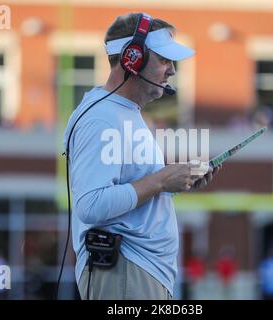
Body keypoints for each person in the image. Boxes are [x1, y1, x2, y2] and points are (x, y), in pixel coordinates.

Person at [63, 12, 221, 300]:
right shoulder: (101, 118)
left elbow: (135, 191)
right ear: (132, 59)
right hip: (125, 272)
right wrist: (160, 181)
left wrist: (174, 182)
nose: (172, 70)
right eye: (164, 60)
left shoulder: (125, 114)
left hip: (136, 273)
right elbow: (91, 204)